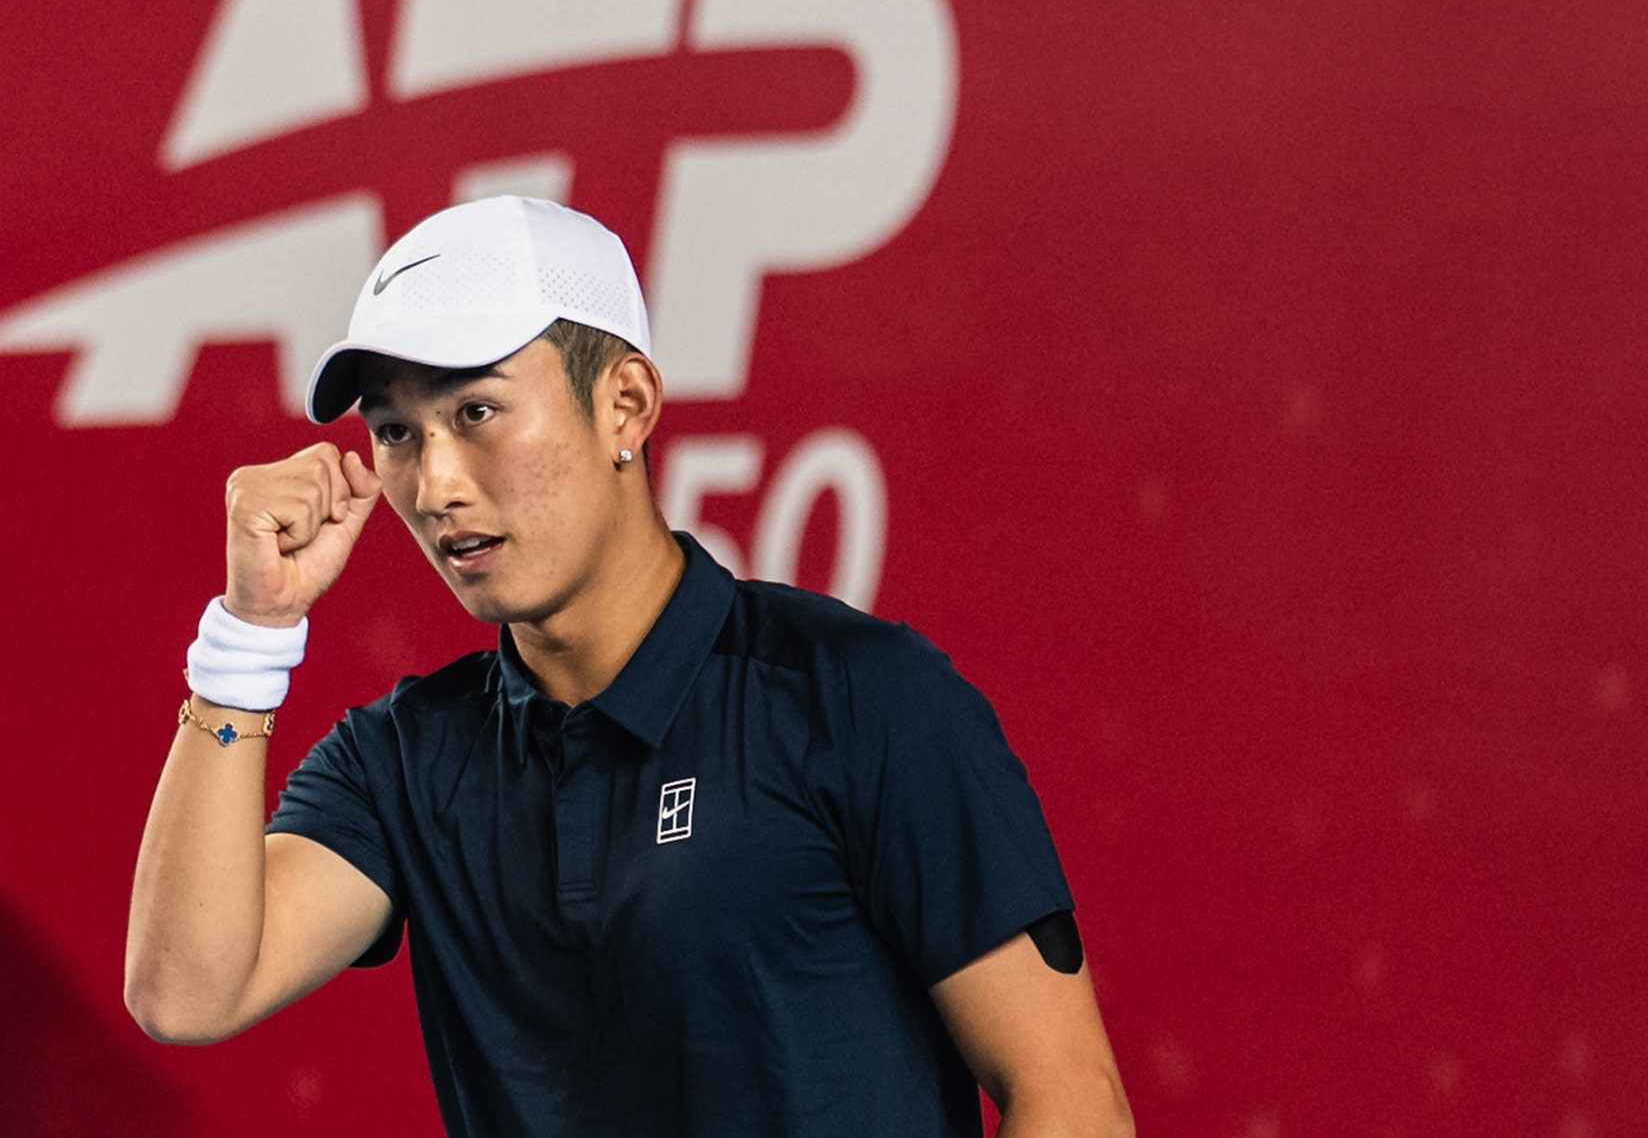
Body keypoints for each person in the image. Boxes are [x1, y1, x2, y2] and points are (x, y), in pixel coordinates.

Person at [125, 195, 1133, 1137]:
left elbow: (1070, 1095)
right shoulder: (403, 762)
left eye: (475, 411)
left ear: (625, 404)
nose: (433, 484)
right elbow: (185, 989)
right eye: (396, 431)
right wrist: (251, 637)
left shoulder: (860, 697)